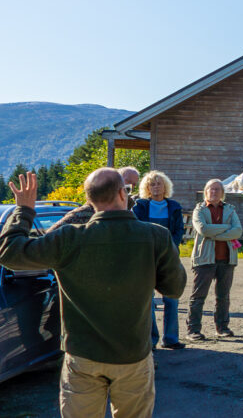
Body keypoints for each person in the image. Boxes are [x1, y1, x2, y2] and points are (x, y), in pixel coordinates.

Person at [0, 169, 185, 417]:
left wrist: (23, 210)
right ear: (123, 193)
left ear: (90, 200)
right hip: (133, 356)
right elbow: (174, 288)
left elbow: (11, 254)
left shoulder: (68, 238)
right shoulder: (156, 236)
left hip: (83, 356)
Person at [133, 170, 186, 350]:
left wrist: (169, 249)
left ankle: (171, 338)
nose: (156, 187)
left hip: (168, 257)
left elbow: (179, 231)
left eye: (159, 183)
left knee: (171, 297)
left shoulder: (174, 207)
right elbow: (137, 230)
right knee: (148, 300)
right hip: (146, 258)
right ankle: (152, 340)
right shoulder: (139, 207)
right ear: (147, 188)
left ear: (165, 186)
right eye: (152, 184)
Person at [188, 179, 243, 340]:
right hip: (204, 259)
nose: (214, 192)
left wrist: (215, 232)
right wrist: (227, 228)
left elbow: (238, 231)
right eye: (211, 189)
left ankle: (222, 327)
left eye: (217, 189)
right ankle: (193, 330)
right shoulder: (199, 210)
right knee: (198, 296)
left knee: (223, 296)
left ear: (222, 193)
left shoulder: (230, 210)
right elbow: (203, 229)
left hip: (226, 259)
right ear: (206, 192)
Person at [49, 166, 140, 229]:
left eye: (134, 184)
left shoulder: (132, 210)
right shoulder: (82, 214)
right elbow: (49, 239)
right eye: (127, 181)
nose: (130, 186)